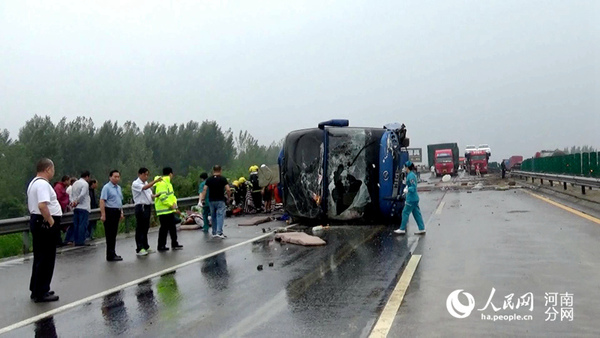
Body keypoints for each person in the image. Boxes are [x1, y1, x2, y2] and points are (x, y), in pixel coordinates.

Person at [27, 158, 62, 302]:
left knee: (40, 257)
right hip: (44, 222)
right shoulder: (42, 184)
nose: (53, 172)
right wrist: (51, 221)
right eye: (53, 169)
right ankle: (42, 291)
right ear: (48, 169)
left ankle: (37, 288)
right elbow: (42, 205)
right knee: (47, 258)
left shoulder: (33, 183)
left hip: (38, 221)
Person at [132, 168, 162, 256]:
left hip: (147, 206)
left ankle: (145, 245)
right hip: (141, 206)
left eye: (147, 175)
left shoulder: (146, 183)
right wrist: (155, 181)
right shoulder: (136, 183)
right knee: (140, 227)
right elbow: (144, 188)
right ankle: (139, 247)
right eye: (145, 175)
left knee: (146, 227)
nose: (146, 177)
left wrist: (156, 195)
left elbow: (149, 194)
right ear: (140, 174)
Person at [154, 167, 183, 251]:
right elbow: (163, 197)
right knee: (164, 228)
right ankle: (161, 245)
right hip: (164, 210)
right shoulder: (163, 183)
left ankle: (174, 243)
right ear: (170, 174)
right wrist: (171, 205)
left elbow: (172, 196)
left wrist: (174, 205)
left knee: (172, 227)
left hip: (169, 209)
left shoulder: (168, 183)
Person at [394, 161, 426, 235]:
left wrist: (407, 189)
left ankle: (402, 229)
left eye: (405, 167)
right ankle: (421, 228)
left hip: (411, 198)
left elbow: (413, 187)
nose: (404, 168)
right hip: (414, 198)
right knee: (416, 213)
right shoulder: (411, 175)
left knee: (405, 212)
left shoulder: (411, 176)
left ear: (407, 167)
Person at [200, 165, 231, 239]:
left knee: (213, 216)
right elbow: (228, 189)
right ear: (220, 170)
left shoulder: (209, 179)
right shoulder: (223, 179)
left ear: (213, 170)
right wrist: (229, 197)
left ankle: (214, 232)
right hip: (220, 200)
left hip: (211, 200)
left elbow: (204, 190)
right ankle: (219, 232)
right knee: (220, 215)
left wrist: (203, 199)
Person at [100, 170, 125, 261]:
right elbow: (102, 200)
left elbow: (119, 201)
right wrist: (103, 214)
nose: (117, 178)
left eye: (118, 177)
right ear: (110, 177)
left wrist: (121, 212)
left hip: (116, 211)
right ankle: (110, 255)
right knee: (109, 234)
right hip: (109, 211)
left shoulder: (118, 188)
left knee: (114, 234)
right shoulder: (106, 187)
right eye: (115, 176)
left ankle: (113, 252)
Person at [69, 171, 91, 246]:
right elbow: (83, 194)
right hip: (83, 207)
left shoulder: (75, 183)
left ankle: (76, 240)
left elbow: (71, 194)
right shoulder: (85, 184)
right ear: (87, 177)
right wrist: (77, 201)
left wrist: (73, 202)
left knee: (76, 224)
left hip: (76, 208)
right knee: (82, 225)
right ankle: (81, 241)